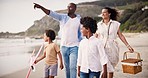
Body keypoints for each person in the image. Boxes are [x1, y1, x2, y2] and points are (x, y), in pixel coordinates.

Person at [34, 3, 82, 78]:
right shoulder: (62, 17)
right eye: (68, 7)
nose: (69, 9)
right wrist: (41, 7)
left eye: (71, 7)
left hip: (74, 46)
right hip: (64, 47)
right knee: (67, 68)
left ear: (75, 9)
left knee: (73, 67)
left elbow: (82, 31)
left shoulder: (79, 19)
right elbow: (51, 13)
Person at [95, 7, 134, 78]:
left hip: (113, 47)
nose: (102, 14)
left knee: (111, 68)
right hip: (102, 47)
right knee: (106, 66)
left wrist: (128, 46)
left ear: (109, 14)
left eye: (104, 12)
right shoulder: (99, 24)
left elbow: (121, 35)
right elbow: (96, 36)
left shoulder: (116, 24)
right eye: (102, 12)